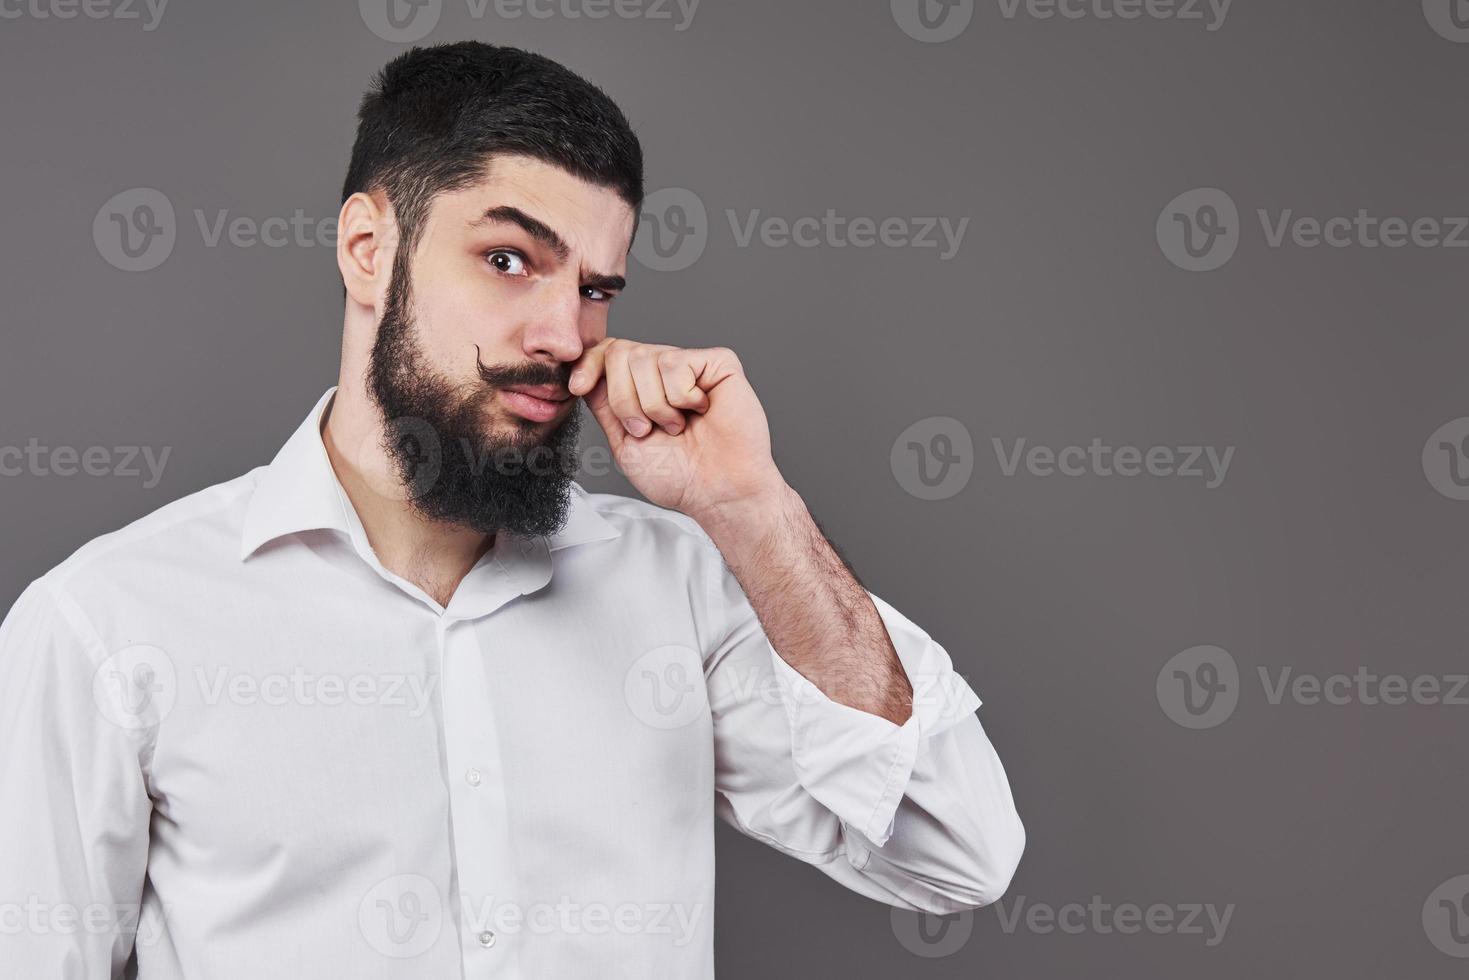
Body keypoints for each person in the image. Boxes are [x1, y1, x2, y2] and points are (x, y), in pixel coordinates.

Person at [0, 41, 1024, 978]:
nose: (563, 333)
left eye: (595, 287)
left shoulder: (679, 587)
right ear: (368, 247)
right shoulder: (109, 624)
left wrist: (755, 509)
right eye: (507, 260)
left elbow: (956, 854)